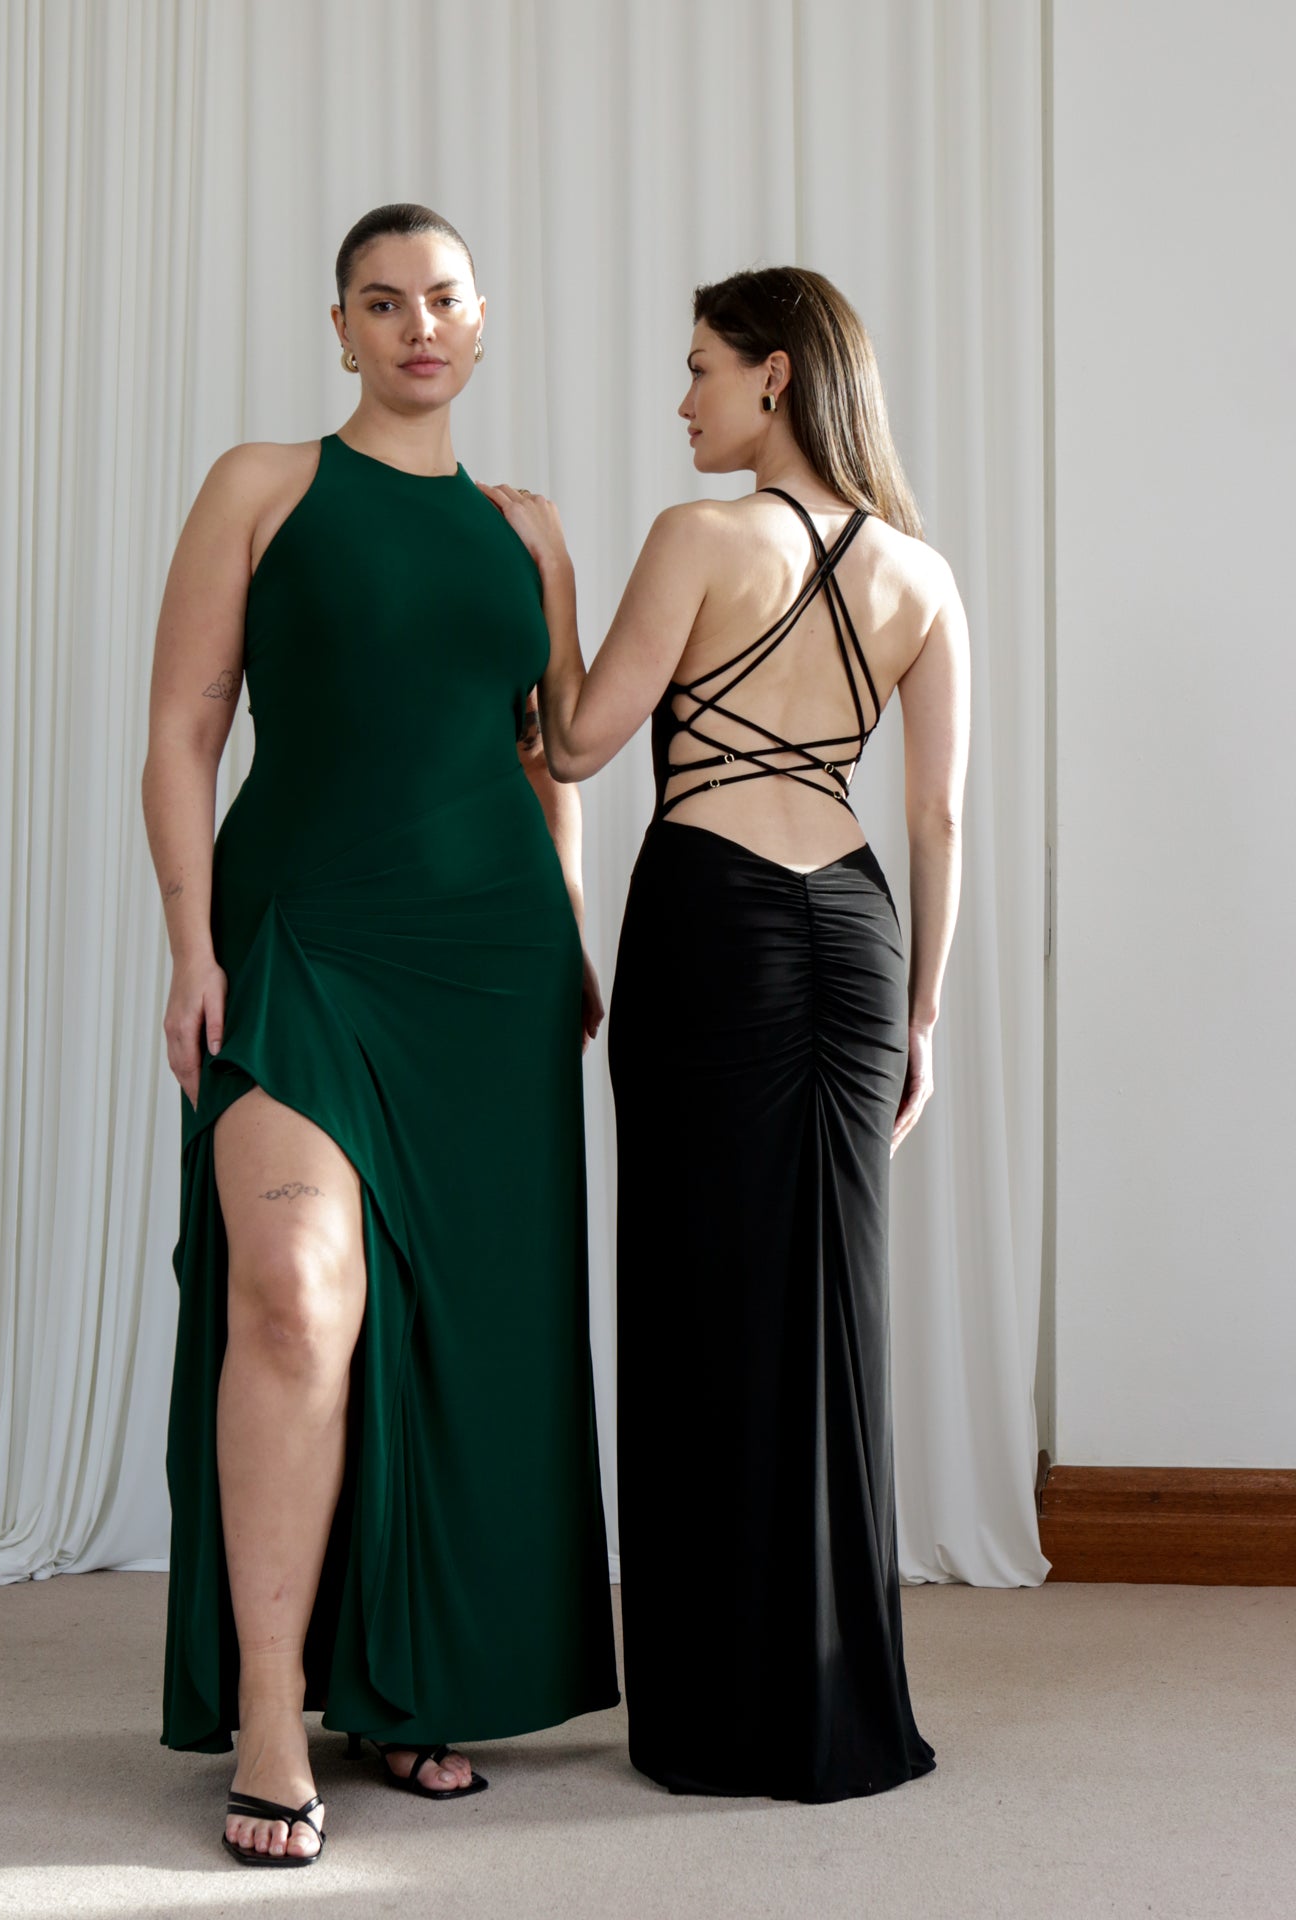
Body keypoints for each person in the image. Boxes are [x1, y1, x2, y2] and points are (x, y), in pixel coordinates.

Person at [141, 202, 618, 1868]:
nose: (419, 324)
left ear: (482, 325)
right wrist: (189, 947)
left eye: (445, 299)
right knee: (293, 1293)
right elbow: (184, 726)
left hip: (492, 965)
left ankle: (413, 1682)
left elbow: (545, 756)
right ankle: (275, 1706)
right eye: (383, 300)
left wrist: (573, 937)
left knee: (455, 1332)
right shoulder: (264, 486)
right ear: (338, 328)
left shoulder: (529, 531)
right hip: (305, 940)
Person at [480, 265, 966, 1804]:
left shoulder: (696, 539)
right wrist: (925, 1016)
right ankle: (840, 1704)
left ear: (775, 375)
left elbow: (575, 739)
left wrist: (553, 573)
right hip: (858, 936)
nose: (682, 399)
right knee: (835, 1308)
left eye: (700, 368)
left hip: (715, 920)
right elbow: (938, 817)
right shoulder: (923, 576)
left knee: (701, 1293)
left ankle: (714, 1713)